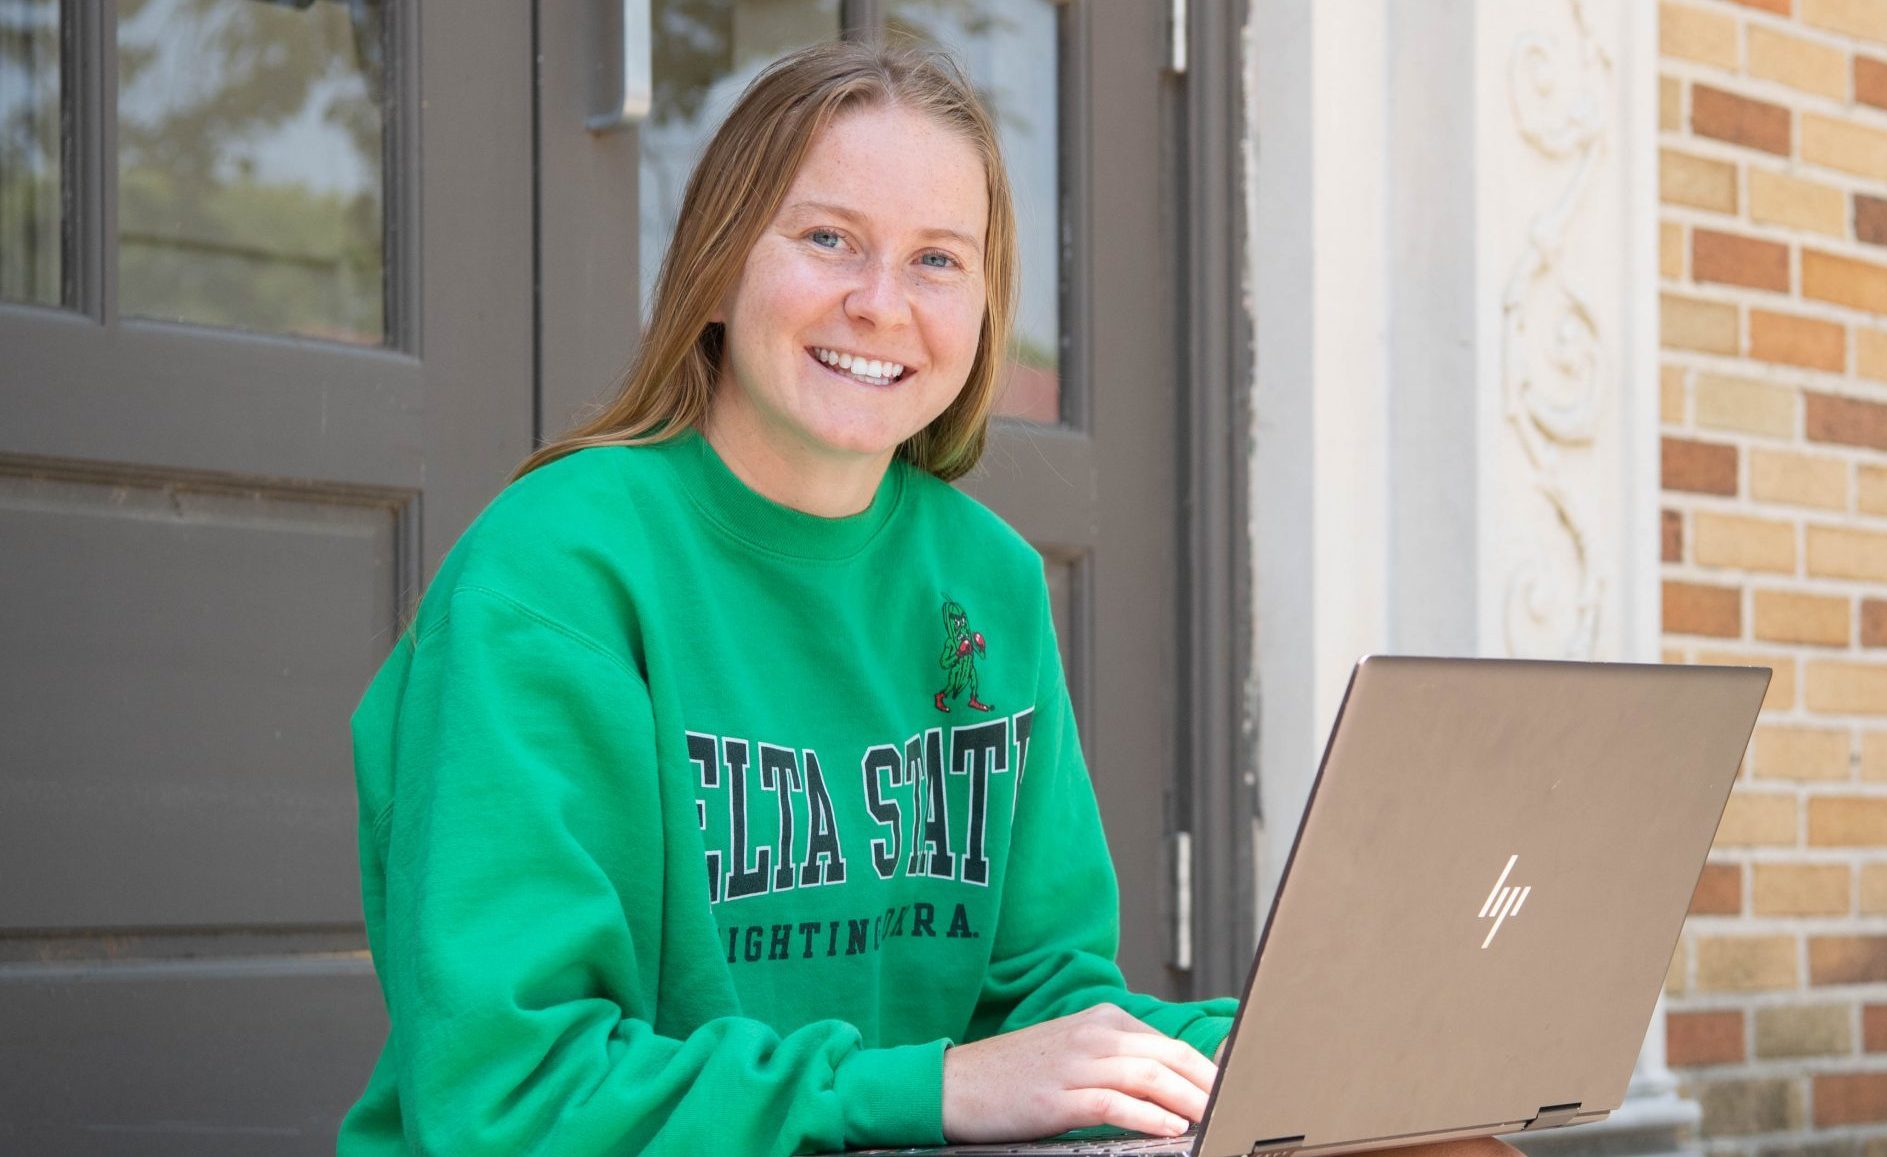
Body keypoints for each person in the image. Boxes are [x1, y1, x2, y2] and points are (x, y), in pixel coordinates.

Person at [339, 38, 1517, 1157]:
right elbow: (510, 1091)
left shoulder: (986, 578)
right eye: (828, 238)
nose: (880, 301)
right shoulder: (559, 568)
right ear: (716, 264)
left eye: (936, 258)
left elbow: (1044, 996)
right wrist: (927, 1086)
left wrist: (1283, 1056)